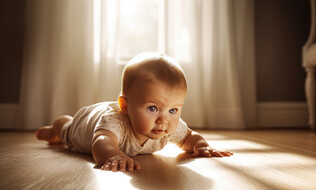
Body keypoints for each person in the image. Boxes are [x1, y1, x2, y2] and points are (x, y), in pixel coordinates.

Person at [36, 53, 233, 172]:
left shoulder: (169, 125)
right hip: (85, 126)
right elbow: (101, 142)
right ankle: (57, 126)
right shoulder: (114, 123)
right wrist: (114, 155)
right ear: (125, 106)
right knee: (67, 131)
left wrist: (201, 146)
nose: (163, 120)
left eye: (173, 109)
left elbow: (189, 137)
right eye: (152, 108)